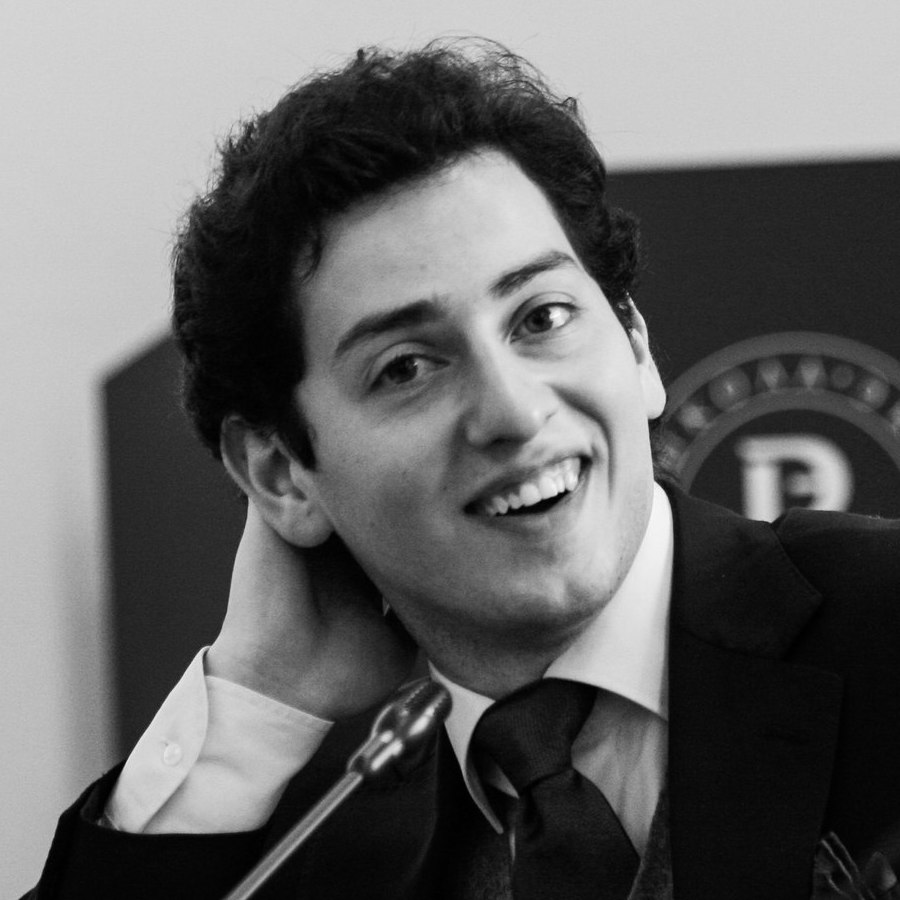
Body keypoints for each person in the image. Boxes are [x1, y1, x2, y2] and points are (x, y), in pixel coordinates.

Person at [27, 39, 900, 900]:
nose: (513, 411)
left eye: (542, 317)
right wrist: (255, 703)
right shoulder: (322, 835)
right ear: (281, 473)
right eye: (407, 367)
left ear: (635, 343)